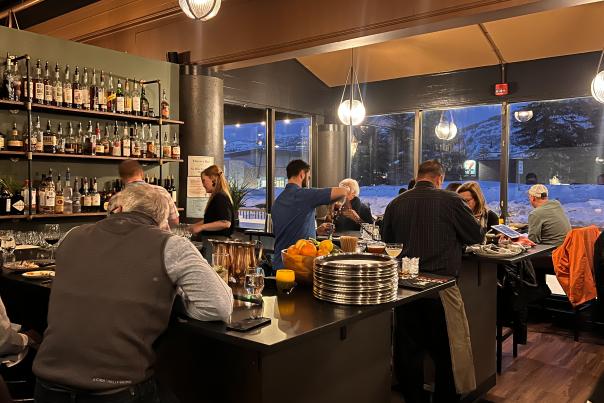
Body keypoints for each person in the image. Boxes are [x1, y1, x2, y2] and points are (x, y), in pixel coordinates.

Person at [33, 185, 233, 403]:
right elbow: (219, 305)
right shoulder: (170, 244)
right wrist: (174, 302)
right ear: (161, 219)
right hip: (117, 389)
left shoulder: (72, 236)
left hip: (47, 384)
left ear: (117, 208)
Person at [382, 160, 484, 403]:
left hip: (405, 289)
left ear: (418, 176)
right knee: (447, 354)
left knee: (409, 354)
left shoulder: (396, 203)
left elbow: (388, 241)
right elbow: (475, 236)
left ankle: (414, 399)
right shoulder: (452, 201)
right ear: (440, 178)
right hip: (442, 289)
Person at [272, 160, 349, 269]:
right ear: (302, 174)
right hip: (298, 266)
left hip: (280, 265)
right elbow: (342, 192)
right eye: (308, 177)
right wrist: (347, 189)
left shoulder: (278, 201)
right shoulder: (304, 195)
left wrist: (316, 232)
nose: (308, 181)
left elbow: (288, 231)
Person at [112, 159, 179, 230]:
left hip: (131, 240)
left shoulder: (116, 199)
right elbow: (174, 222)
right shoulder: (161, 192)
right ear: (141, 173)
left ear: (122, 178)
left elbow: (113, 228)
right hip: (160, 239)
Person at [189, 165, 235, 238]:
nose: (203, 185)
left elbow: (225, 223)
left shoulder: (220, 197)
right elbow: (211, 220)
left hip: (217, 243)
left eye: (204, 181)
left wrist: (202, 227)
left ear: (213, 179)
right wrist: (195, 226)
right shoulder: (217, 196)